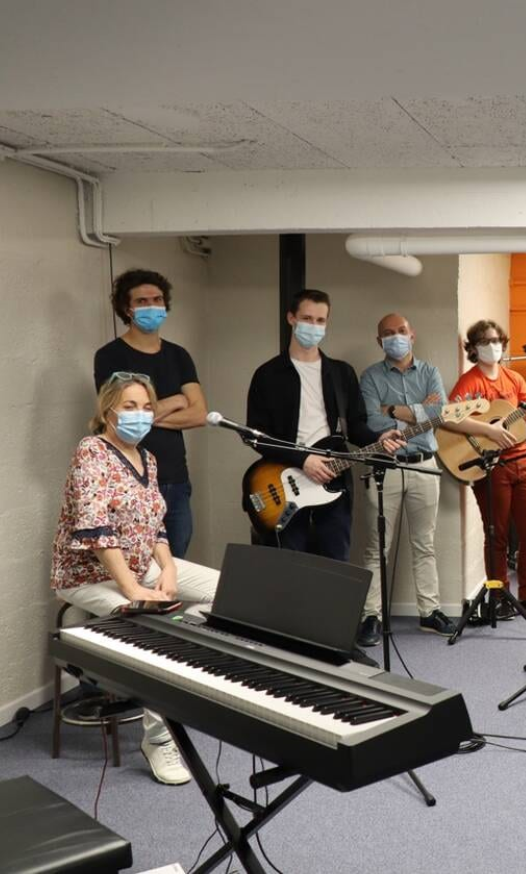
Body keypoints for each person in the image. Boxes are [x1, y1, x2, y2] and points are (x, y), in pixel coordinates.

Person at [51, 373, 222, 786]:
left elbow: (155, 527)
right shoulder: (92, 451)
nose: (140, 414)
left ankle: (178, 672)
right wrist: (134, 591)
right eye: (129, 406)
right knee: (156, 623)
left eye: (146, 407)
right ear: (108, 409)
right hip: (87, 574)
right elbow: (95, 530)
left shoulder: (148, 458)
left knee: (224, 592)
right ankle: (158, 739)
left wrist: (170, 569)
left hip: (143, 564)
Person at [245, 289, 404, 564]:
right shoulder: (268, 374)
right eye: (307, 318)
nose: (314, 326)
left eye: (320, 320)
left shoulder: (341, 373)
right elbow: (256, 435)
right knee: (289, 565)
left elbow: (355, 426)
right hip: (284, 480)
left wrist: (378, 439)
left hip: (334, 477)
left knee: (335, 561)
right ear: (291, 318)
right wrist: (303, 460)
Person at [448, 319, 526, 619]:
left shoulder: (514, 379)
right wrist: (488, 430)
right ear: (474, 348)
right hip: (490, 466)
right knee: (497, 535)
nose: (492, 346)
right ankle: (499, 597)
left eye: (496, 341)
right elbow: (449, 417)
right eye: (485, 341)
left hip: (522, 460)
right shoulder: (470, 381)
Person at [94, 270, 207, 558]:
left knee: (175, 564)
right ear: (127, 308)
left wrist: (144, 414)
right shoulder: (110, 356)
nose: (152, 306)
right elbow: (117, 417)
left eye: (157, 299)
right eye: (142, 301)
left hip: (175, 479)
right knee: (135, 563)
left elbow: (199, 414)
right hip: (128, 478)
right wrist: (176, 400)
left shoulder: (179, 355)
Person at [355, 313, 452, 647]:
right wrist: (417, 410)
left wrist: (392, 409)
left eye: (401, 331)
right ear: (378, 340)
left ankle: (429, 612)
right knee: (376, 546)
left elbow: (439, 414)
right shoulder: (370, 377)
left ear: (412, 335)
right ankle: (371, 615)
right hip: (386, 467)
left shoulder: (430, 373)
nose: (395, 337)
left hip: (425, 465)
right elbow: (371, 421)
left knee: (424, 544)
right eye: (388, 333)